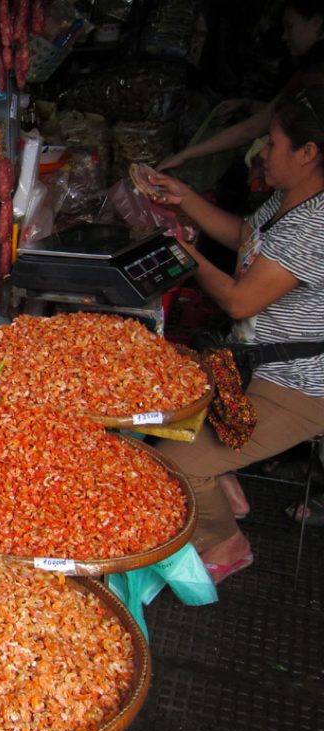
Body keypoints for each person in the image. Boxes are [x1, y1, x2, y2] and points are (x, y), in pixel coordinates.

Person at [137, 87, 324, 584]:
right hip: (249, 360)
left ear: (308, 154)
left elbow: (241, 300)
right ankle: (224, 478)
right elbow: (247, 237)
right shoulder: (292, 200)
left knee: (169, 462)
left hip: (297, 385)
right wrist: (185, 199)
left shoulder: (316, 223)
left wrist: (181, 251)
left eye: (274, 143)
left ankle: (224, 542)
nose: (262, 152)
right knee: (163, 389)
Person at [159, 1, 324, 172]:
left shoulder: (314, 80)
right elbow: (271, 115)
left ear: (317, 23)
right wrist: (247, 104)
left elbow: (252, 129)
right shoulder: (305, 75)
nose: (284, 36)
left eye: (290, 27)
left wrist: (185, 154)